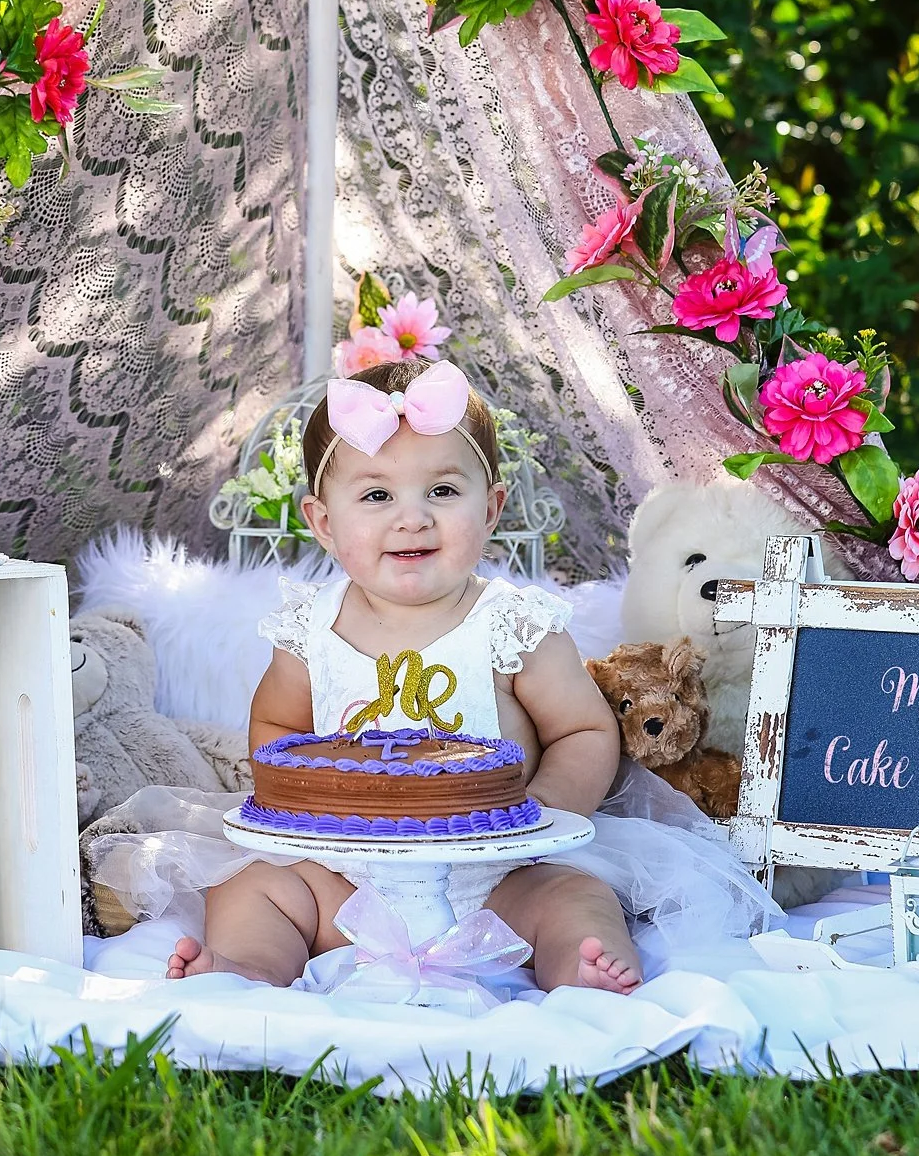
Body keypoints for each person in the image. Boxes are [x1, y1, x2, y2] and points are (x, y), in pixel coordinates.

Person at [167, 357, 771, 993]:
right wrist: (306, 806)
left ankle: (578, 964)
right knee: (249, 887)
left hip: (498, 880)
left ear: (491, 509)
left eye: (443, 491)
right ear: (323, 522)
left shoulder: (513, 625)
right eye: (376, 495)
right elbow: (278, 725)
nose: (413, 517)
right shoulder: (308, 630)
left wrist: (540, 809)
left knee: (576, 896)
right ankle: (250, 965)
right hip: (347, 879)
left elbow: (584, 732)